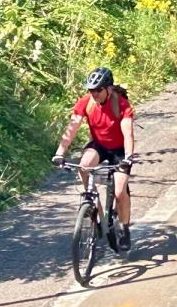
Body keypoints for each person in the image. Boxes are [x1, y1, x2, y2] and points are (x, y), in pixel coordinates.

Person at [52, 66, 137, 252]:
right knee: (84, 166)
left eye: (98, 90)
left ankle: (124, 228)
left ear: (108, 89)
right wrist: (60, 153)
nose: (94, 94)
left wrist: (128, 157)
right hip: (99, 145)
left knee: (120, 191)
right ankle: (96, 213)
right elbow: (72, 128)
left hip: (120, 149)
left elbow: (128, 133)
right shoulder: (86, 102)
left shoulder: (121, 104)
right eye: (91, 90)